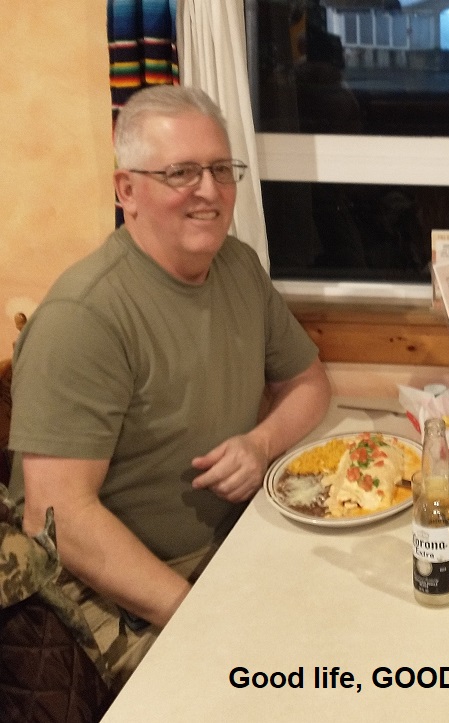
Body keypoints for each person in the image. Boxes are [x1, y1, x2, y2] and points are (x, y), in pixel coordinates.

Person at [7, 85, 332, 689]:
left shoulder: (238, 267)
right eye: (181, 172)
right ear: (126, 191)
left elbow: (309, 383)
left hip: (231, 550)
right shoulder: (84, 316)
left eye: (221, 169)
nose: (209, 190)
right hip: (106, 600)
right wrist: (203, 617)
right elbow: (57, 517)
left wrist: (260, 443)